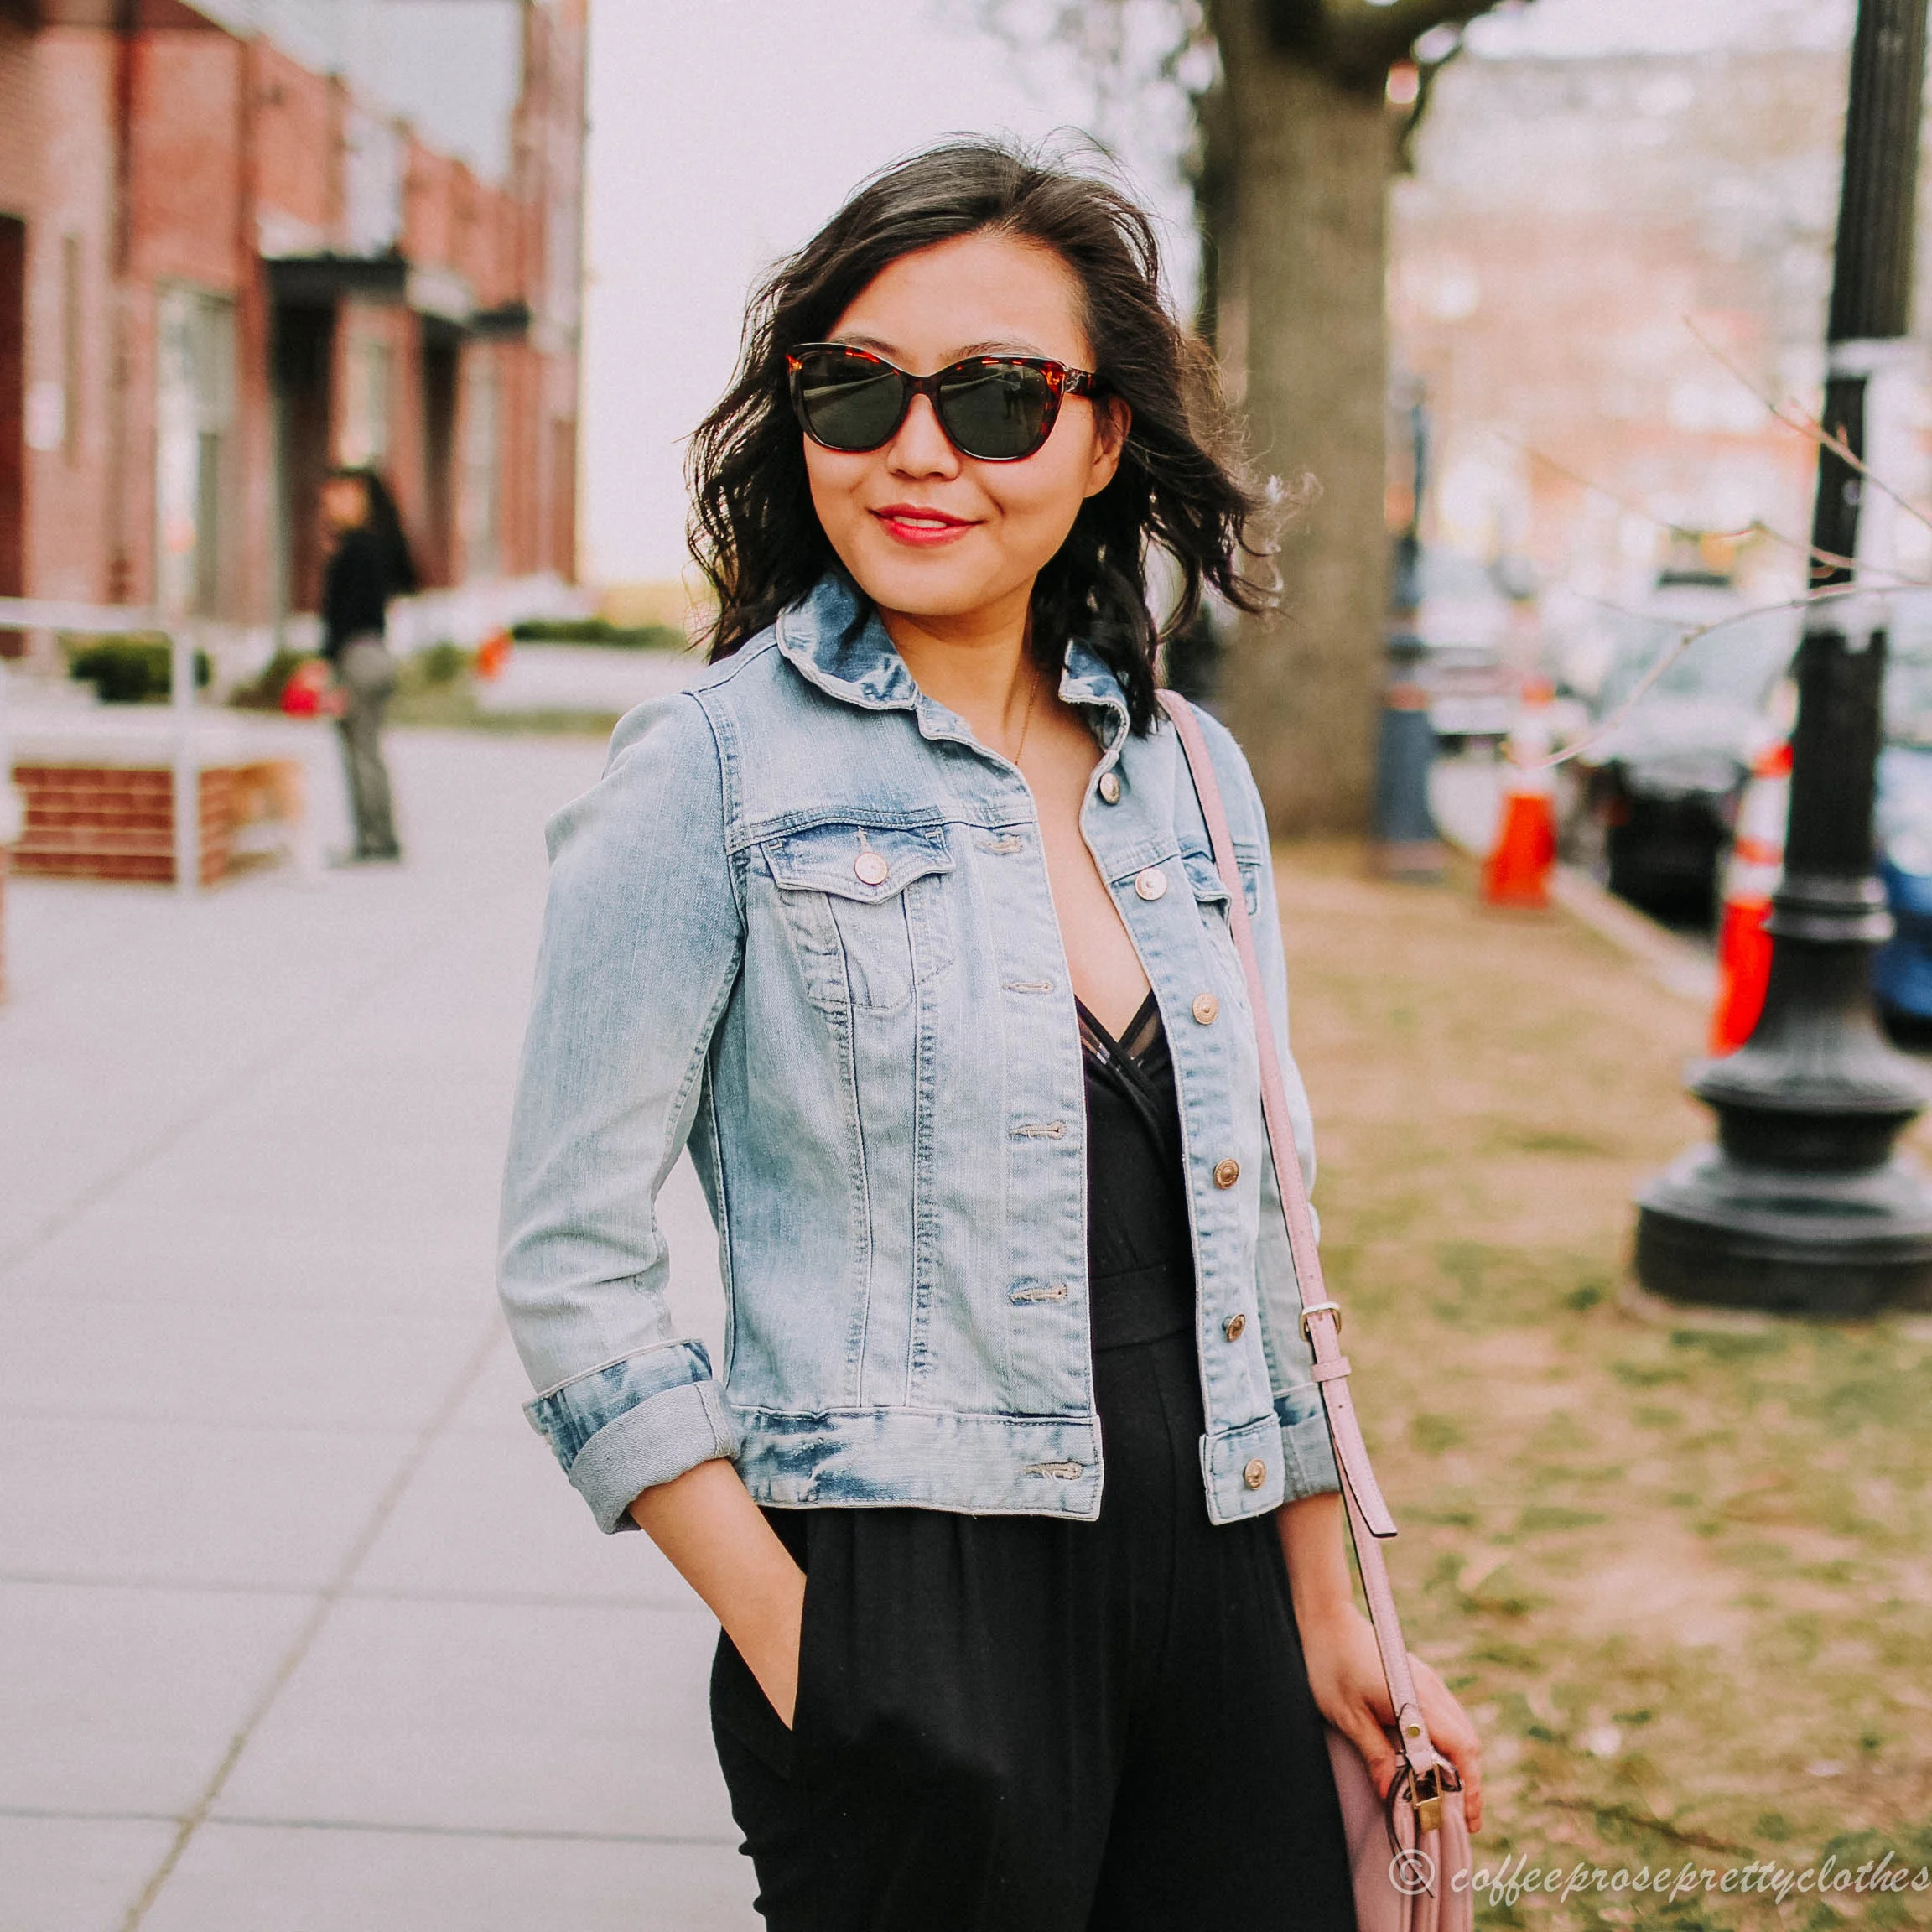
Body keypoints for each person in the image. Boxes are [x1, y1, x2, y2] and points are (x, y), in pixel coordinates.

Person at [498, 141, 1482, 1929]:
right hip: (906, 1603)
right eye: (857, 388)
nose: (920, 450)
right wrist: (813, 1645)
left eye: (999, 396)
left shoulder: (1192, 772)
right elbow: (571, 1269)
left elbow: (1263, 1235)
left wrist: (1330, 1619)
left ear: (1105, 438)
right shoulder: (707, 773)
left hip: (1224, 1599)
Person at [317, 466, 416, 862]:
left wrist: (330, 669)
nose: (329, 506)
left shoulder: (357, 549)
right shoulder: (378, 545)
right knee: (370, 749)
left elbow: (343, 617)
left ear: (359, 497)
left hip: (357, 656)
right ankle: (382, 837)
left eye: (337, 496)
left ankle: (372, 842)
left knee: (360, 752)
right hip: (377, 653)